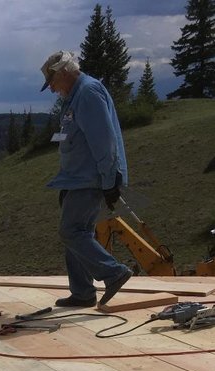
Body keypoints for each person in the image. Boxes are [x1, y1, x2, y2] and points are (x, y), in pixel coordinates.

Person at [40, 50, 132, 308]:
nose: (52, 89)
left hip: (90, 178)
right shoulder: (76, 95)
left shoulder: (88, 93)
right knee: (79, 233)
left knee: (71, 231)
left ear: (64, 72)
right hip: (75, 178)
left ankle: (113, 272)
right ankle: (82, 293)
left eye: (53, 83)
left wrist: (109, 180)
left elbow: (105, 141)